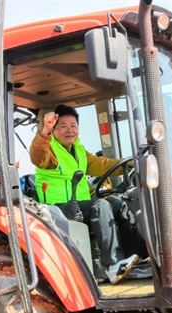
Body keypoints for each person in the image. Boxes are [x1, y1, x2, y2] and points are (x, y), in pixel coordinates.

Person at [30, 104, 140, 285]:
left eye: (73, 125)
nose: (69, 130)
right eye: (63, 126)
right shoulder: (49, 151)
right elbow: (37, 154)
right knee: (101, 205)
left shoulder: (79, 151)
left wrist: (130, 163)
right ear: (54, 129)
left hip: (80, 204)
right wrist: (44, 133)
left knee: (116, 201)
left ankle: (135, 258)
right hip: (58, 207)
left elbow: (102, 165)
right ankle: (112, 265)